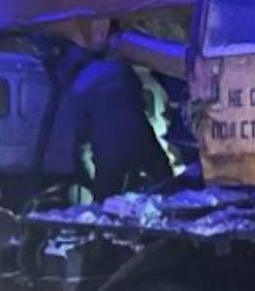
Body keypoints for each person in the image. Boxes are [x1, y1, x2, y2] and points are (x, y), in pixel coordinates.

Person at [58, 42, 173, 200]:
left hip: (108, 147)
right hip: (138, 134)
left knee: (106, 195)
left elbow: (82, 130)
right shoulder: (117, 67)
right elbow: (139, 94)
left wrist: (83, 170)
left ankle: (106, 212)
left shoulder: (77, 90)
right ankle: (174, 206)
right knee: (163, 176)